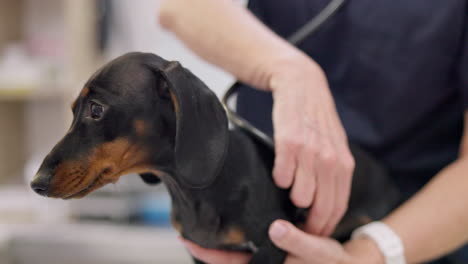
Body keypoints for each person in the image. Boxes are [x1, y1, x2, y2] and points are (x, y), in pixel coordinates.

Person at [157, 0, 468, 263]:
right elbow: (182, 6)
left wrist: (367, 253)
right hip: (255, 225)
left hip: (411, 235)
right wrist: (289, 71)